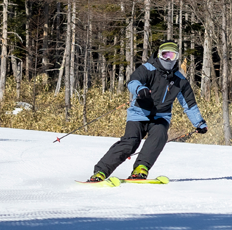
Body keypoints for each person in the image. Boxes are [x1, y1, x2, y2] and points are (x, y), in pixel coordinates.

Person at [88, 40, 207, 182]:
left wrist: (199, 123)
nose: (168, 59)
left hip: (160, 117)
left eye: (172, 55)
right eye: (165, 55)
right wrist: (140, 89)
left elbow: (189, 104)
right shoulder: (148, 69)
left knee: (160, 135)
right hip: (139, 113)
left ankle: (141, 169)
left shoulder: (180, 80)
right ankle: (100, 172)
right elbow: (133, 81)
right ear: (159, 55)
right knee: (130, 142)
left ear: (177, 57)